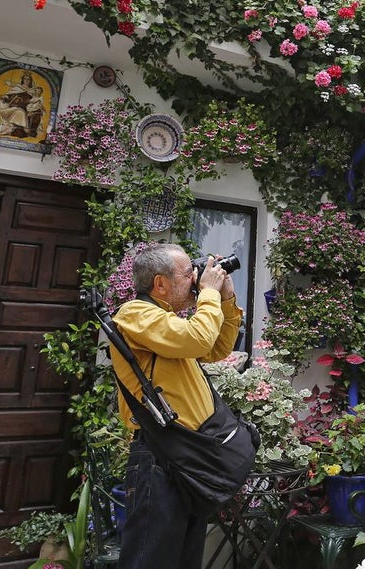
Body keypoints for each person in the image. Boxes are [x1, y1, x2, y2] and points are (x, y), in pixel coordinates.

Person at [110, 244, 242, 569]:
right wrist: (209, 293)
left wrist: (224, 298)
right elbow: (197, 339)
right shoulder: (135, 314)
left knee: (184, 559)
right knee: (150, 561)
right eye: (187, 273)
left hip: (185, 456)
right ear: (160, 284)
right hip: (158, 457)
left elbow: (217, 347)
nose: (195, 278)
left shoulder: (170, 325)